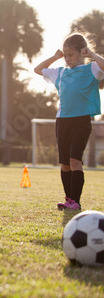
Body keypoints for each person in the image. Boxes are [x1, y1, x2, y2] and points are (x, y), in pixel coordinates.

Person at [34, 32, 104, 211]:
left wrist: (92, 55)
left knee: (75, 160)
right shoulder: (60, 73)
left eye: (70, 55)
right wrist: (55, 57)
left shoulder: (92, 68)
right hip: (62, 121)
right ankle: (68, 200)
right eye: (65, 55)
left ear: (82, 52)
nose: (67, 59)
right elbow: (38, 69)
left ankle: (76, 202)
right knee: (65, 163)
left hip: (81, 121)